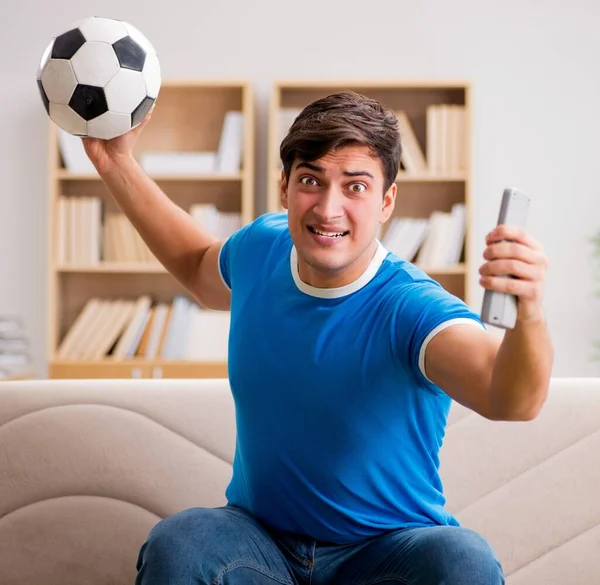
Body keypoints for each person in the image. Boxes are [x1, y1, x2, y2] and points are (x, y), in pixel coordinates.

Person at [83, 90, 553, 585]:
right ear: (284, 186)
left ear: (386, 201)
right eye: (311, 180)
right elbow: (198, 266)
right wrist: (116, 162)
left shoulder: (411, 307)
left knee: (463, 560)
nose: (328, 209)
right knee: (183, 541)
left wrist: (531, 314)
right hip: (261, 545)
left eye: (355, 187)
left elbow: (512, 399)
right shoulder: (262, 248)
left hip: (385, 553)